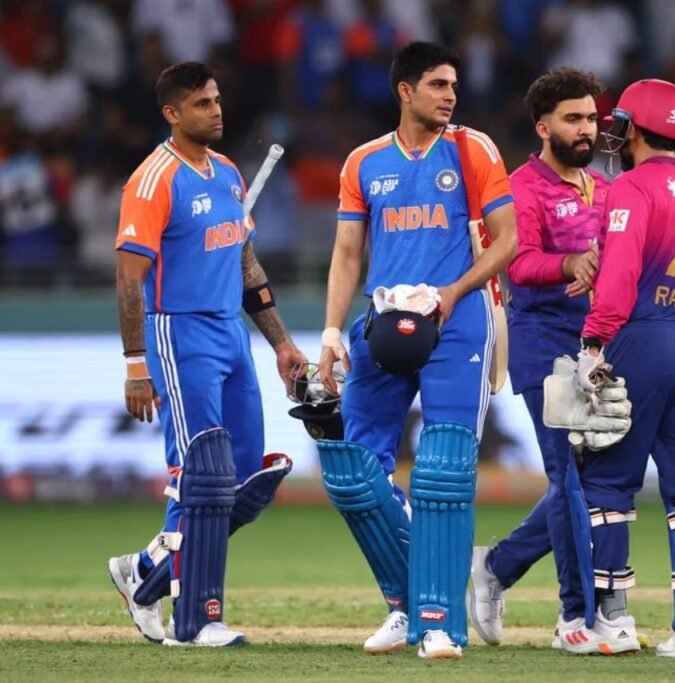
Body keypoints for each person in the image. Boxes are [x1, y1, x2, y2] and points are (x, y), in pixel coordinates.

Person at [315, 41, 516, 660]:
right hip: (382, 323)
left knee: (443, 472)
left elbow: (507, 240)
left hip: (457, 322)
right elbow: (348, 252)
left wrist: (453, 292)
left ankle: (439, 623)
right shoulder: (364, 161)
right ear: (405, 91)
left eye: (453, 84)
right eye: (437, 84)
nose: (450, 95)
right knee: (352, 472)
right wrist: (331, 332)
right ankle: (407, 601)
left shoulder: (472, 148)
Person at [107, 61, 306, 647]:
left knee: (245, 479)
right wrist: (136, 365)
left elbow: (246, 266)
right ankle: (196, 619)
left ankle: (147, 572)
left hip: (231, 336)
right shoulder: (153, 180)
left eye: (217, 99)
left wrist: (281, 342)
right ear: (172, 113)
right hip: (180, 334)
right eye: (201, 103)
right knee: (201, 476)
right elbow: (128, 278)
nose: (216, 110)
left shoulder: (228, 173)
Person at [568, 78, 675, 657]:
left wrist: (593, 341)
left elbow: (619, 275)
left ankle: (613, 619)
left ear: (634, 128)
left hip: (643, 337)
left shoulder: (630, 188)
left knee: (607, 481)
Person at [465, 67, 609, 649]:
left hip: (597, 346)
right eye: (573, 119)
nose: (586, 128)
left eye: (591, 118)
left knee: (590, 483)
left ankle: (497, 566)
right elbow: (518, 263)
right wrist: (570, 264)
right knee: (568, 478)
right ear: (543, 126)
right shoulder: (522, 186)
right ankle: (577, 616)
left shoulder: (603, 188)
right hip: (544, 343)